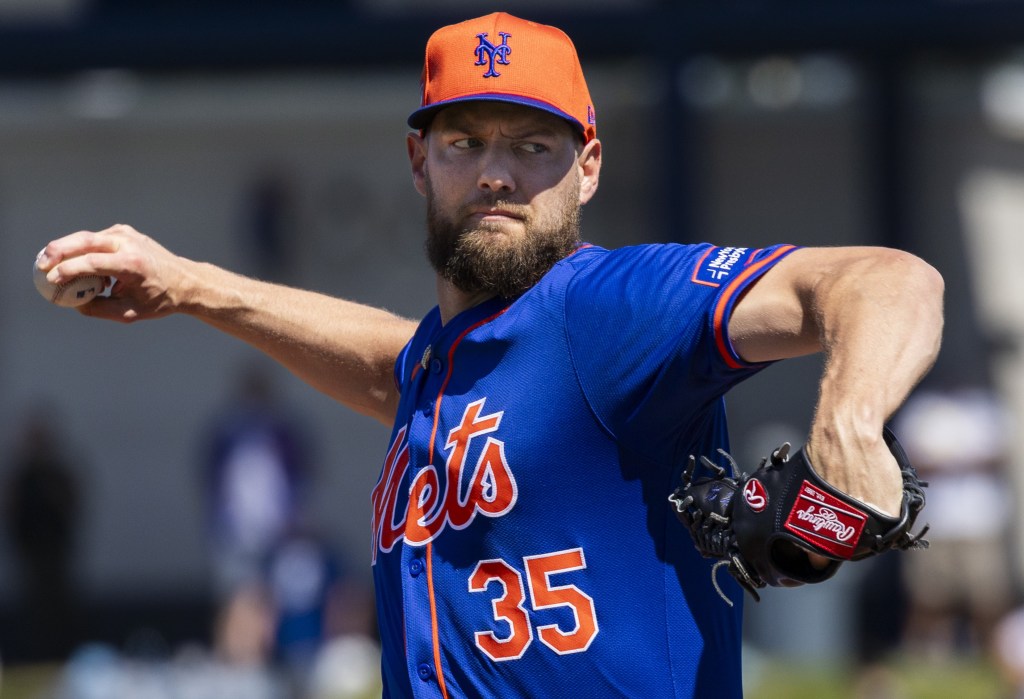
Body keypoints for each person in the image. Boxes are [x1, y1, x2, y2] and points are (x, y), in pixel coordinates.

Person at [34, 12, 944, 698]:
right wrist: (191, 285)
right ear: (418, 159)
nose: (496, 173)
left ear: (587, 164)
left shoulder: (611, 310)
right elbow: (392, 364)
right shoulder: (446, 362)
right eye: (464, 141)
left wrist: (849, 422)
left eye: (532, 144)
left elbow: (887, 279)